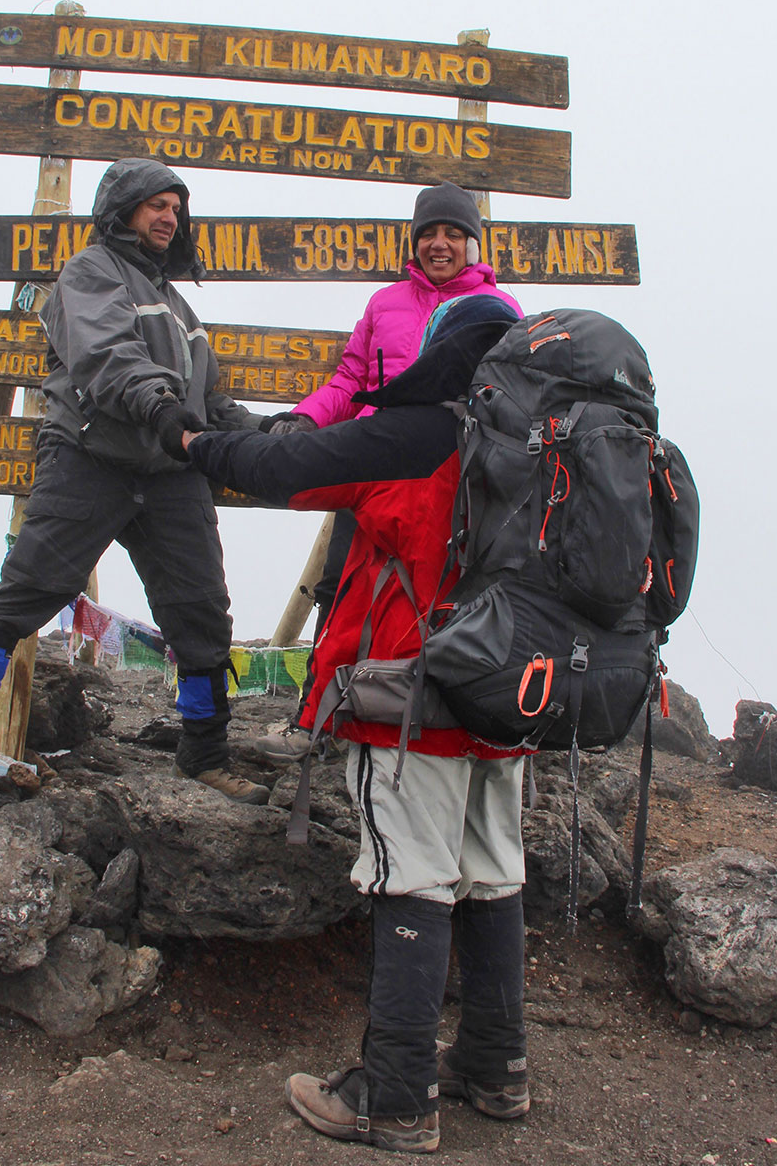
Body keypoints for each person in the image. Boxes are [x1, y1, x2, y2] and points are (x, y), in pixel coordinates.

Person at [185, 296, 530, 1154]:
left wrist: (191, 442)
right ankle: (494, 1068)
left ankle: (394, 1096)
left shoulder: (410, 437)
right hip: (512, 703)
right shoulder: (540, 443)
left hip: (409, 699)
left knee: (408, 876)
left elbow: (281, 469)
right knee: (491, 874)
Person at [0, 158, 270, 806]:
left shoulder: (182, 309)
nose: (168, 217)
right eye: (156, 204)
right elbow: (107, 357)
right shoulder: (89, 272)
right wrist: (161, 408)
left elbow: (210, 403)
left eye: (176, 209)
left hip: (168, 476)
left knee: (202, 616)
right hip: (88, 458)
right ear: (122, 208)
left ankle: (205, 751)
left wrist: (271, 437)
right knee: (24, 595)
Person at [254, 181, 523, 765]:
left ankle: (461, 723)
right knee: (341, 590)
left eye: (454, 233)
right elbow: (350, 380)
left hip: (456, 479)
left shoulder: (501, 311)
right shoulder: (385, 304)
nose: (440, 244)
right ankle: (317, 719)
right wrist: (306, 419)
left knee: (458, 599)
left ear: (474, 242)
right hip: (377, 466)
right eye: (429, 234)